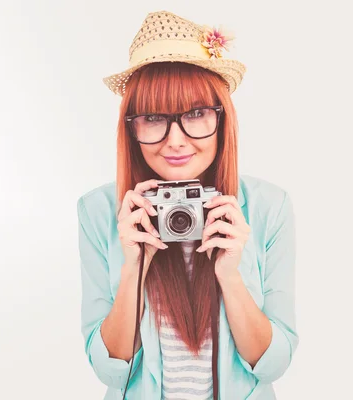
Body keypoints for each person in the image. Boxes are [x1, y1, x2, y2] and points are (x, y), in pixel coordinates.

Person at [76, 10, 298, 400]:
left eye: (195, 114)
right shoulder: (99, 211)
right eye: (153, 117)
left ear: (221, 119)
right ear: (131, 127)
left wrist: (230, 275)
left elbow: (273, 365)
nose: (176, 140)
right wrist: (134, 269)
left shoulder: (268, 207)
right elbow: (110, 371)